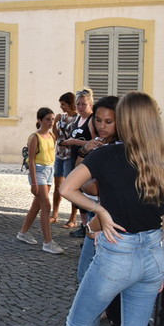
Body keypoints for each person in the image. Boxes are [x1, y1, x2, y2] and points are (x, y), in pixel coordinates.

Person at [60, 92, 164, 326]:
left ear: (125, 120)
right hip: (154, 256)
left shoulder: (107, 156)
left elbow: (66, 188)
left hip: (117, 253)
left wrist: (101, 211)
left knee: (78, 324)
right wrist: (162, 268)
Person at [73, 95, 120, 326]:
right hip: (99, 217)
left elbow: (86, 186)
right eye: (98, 120)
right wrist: (84, 149)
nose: (101, 126)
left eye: (108, 121)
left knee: (88, 276)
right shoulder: (99, 144)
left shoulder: (114, 149)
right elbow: (80, 178)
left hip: (106, 221)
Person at [17, 107, 64, 254]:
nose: (50, 122)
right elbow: (30, 160)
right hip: (38, 171)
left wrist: (56, 123)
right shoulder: (34, 137)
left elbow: (58, 140)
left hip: (50, 170)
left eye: (51, 119)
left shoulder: (52, 135)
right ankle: (48, 242)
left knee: (37, 205)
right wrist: (34, 182)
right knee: (46, 206)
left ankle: (23, 233)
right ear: (39, 120)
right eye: (47, 119)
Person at [62, 88, 95, 237]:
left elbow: (96, 142)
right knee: (77, 192)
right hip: (74, 158)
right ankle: (83, 224)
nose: (80, 107)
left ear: (90, 104)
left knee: (85, 193)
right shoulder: (77, 119)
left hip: (86, 162)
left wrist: (74, 142)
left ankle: (89, 225)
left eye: (84, 104)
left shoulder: (92, 120)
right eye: (79, 104)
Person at [51, 92, 78, 223]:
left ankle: (73, 217)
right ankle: (54, 213)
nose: (61, 107)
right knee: (57, 186)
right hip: (59, 154)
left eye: (63, 104)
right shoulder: (61, 117)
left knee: (71, 187)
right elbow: (56, 136)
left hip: (70, 156)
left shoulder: (78, 119)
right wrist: (54, 123)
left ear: (70, 104)